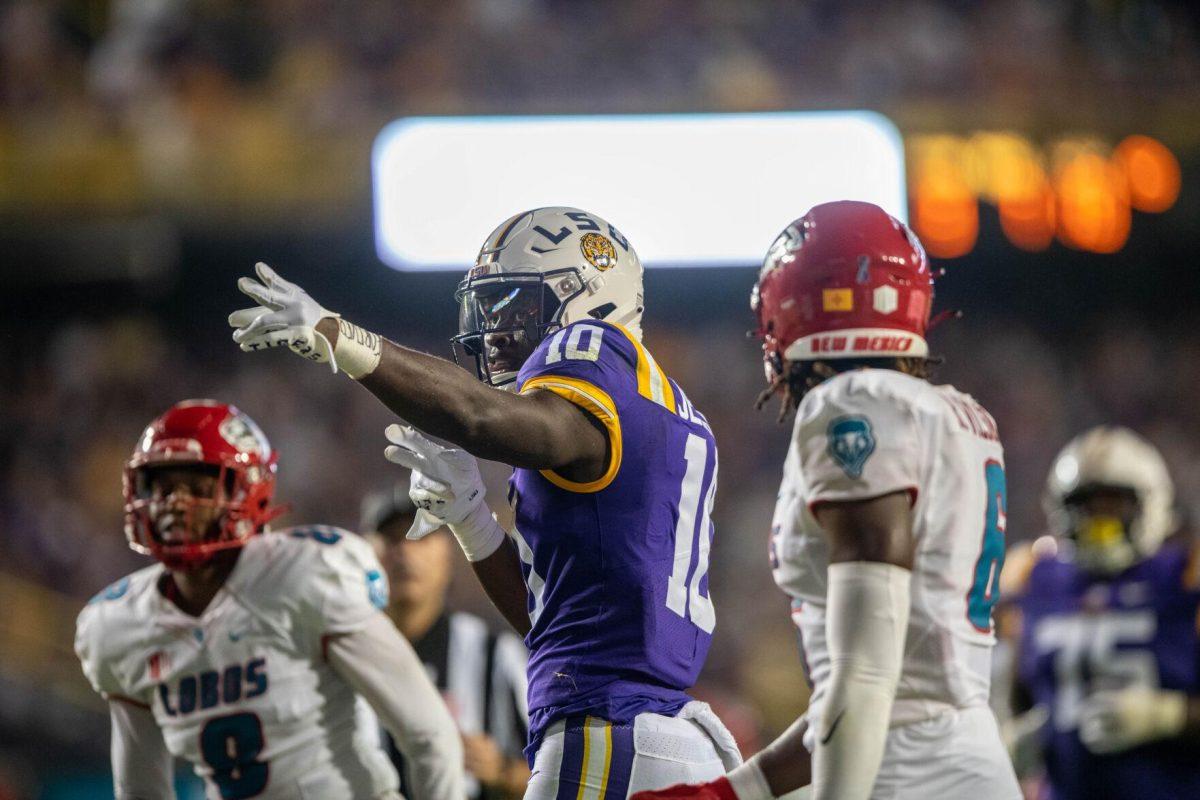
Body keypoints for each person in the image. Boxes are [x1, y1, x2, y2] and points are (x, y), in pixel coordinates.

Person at [229, 206, 742, 797]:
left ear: (590, 300)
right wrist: (472, 518)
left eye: (520, 306)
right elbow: (555, 625)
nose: (497, 329)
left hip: (609, 733)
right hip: (654, 733)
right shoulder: (661, 407)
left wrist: (339, 338)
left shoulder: (593, 346)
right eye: (492, 307)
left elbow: (478, 416)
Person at [634, 201, 1021, 800]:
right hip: (945, 759)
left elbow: (865, 680)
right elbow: (869, 701)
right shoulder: (955, 414)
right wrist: (732, 792)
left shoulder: (854, 405)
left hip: (903, 777)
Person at [74, 400, 464, 800]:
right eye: (163, 486)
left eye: (197, 485)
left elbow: (428, 733)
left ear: (245, 488)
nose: (174, 502)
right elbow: (142, 791)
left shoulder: (305, 574)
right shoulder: (120, 623)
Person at [1003, 426, 1200, 799]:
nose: (1100, 523)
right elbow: (1020, 697)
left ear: (1153, 504)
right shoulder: (1034, 577)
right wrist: (1014, 738)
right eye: (1086, 508)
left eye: (1115, 506)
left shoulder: (1186, 578)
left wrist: (1171, 716)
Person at [360, 485, 531, 799]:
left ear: (449, 553)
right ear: (364, 555)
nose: (405, 552)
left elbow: (553, 771)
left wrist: (501, 770)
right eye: (392, 539)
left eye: (421, 537)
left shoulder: (495, 653)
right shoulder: (345, 652)